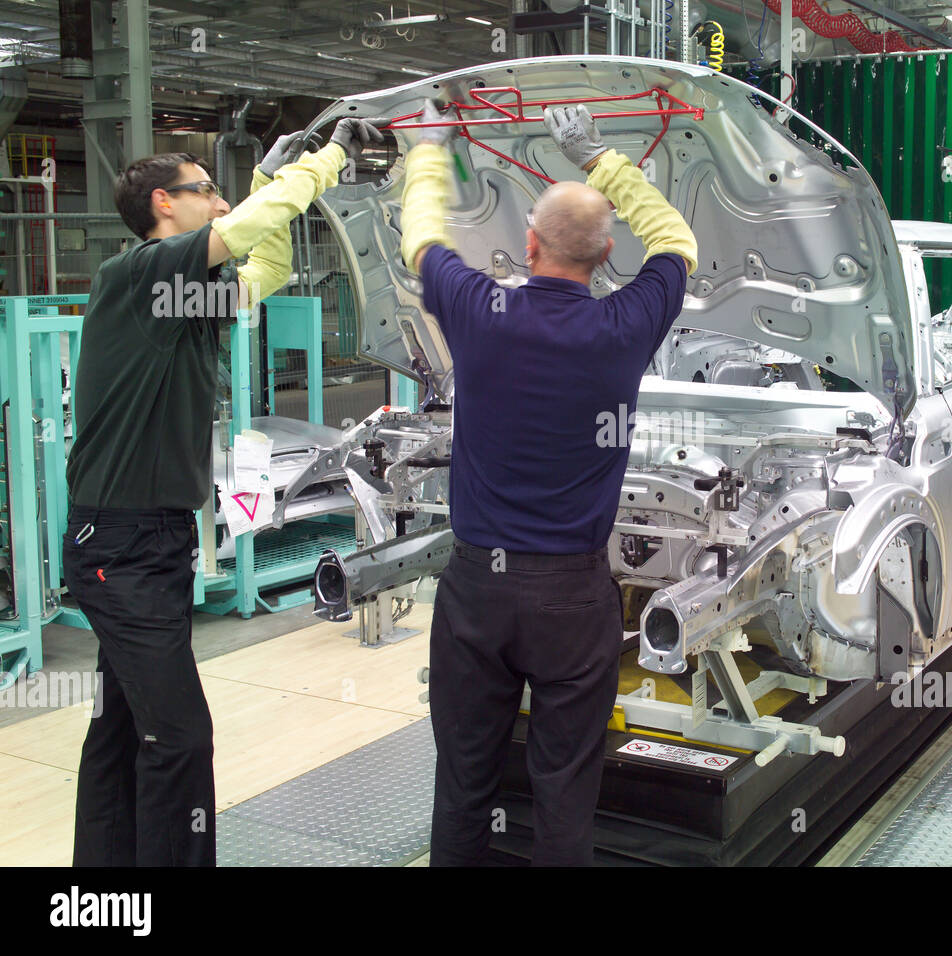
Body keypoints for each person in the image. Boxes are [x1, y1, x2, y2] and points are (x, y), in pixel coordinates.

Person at [63, 117, 384, 866]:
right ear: (163, 206)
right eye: (205, 189)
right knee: (179, 739)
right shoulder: (138, 274)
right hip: (120, 544)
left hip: (156, 539)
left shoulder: (186, 298)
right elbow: (252, 230)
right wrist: (327, 160)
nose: (218, 199)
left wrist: (278, 176)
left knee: (121, 727)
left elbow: (264, 270)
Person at [398, 101, 698, 865]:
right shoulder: (625, 325)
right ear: (604, 258)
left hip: (477, 590)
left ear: (527, 245)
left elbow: (421, 240)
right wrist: (600, 159)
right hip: (572, 596)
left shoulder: (479, 308)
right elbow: (676, 242)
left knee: (463, 780)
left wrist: (431, 149)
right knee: (564, 785)